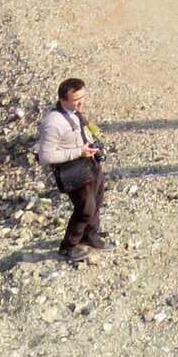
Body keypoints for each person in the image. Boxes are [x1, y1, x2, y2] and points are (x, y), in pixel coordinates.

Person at [35, 77, 113, 264]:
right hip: (74, 171)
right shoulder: (53, 123)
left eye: (83, 97)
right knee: (85, 209)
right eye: (76, 99)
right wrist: (79, 151)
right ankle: (68, 247)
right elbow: (45, 156)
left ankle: (90, 236)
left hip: (90, 163)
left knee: (97, 200)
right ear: (63, 100)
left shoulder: (74, 111)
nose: (81, 103)